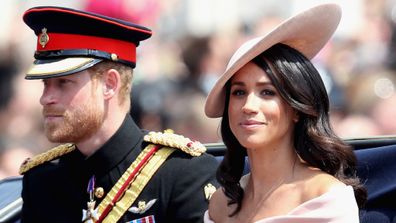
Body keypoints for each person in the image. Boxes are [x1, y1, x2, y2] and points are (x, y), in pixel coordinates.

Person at [19, 6, 219, 223]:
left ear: (110, 84)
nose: (46, 98)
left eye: (63, 83)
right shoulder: (42, 180)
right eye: (45, 84)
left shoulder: (183, 173)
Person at [203, 3, 366, 223]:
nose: (248, 105)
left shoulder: (326, 197)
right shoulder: (220, 204)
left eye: (267, 92)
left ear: (297, 109)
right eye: (239, 92)